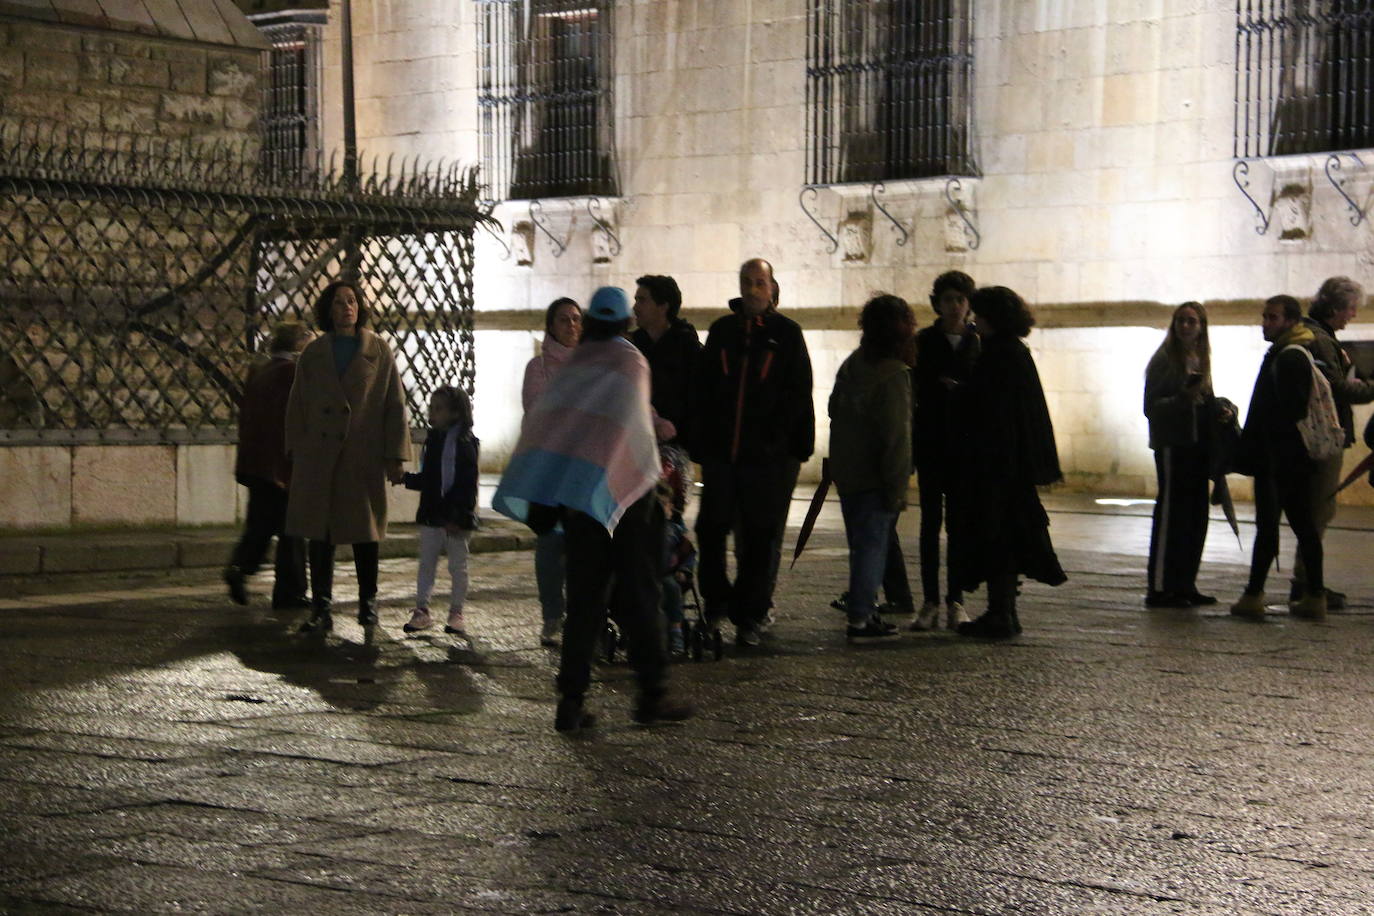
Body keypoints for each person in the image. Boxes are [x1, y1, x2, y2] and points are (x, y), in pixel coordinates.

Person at [494, 286, 692, 732]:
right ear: (624, 322)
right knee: (641, 597)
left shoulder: (573, 366)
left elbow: (550, 426)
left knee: (583, 602)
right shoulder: (631, 361)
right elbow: (635, 428)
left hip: (579, 499)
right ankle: (651, 696)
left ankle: (570, 702)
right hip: (628, 502)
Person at [689, 258, 814, 648]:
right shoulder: (724, 330)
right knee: (710, 529)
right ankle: (716, 600)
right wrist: (706, 442)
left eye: (760, 282)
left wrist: (782, 443)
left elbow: (798, 391)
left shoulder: (787, 333)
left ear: (772, 287)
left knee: (759, 538)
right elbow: (706, 387)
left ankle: (750, 613)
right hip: (723, 455)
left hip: (764, 459)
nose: (754, 289)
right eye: (748, 282)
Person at [285, 280, 411, 633]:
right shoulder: (313, 353)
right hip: (320, 456)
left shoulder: (378, 350)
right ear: (328, 309)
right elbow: (297, 403)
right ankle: (321, 604)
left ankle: (367, 602)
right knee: (320, 533)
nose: (346, 308)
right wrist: (295, 448)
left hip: (361, 455)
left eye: (352, 301)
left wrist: (395, 455)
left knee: (364, 533)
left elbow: (394, 405)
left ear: (360, 307)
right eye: (339, 302)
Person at [949, 286, 1066, 639]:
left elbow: (992, 411)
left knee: (998, 536)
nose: (972, 320)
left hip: (998, 466)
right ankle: (1003, 611)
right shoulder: (1013, 351)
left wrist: (960, 394)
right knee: (1006, 535)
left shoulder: (999, 354)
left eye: (978, 314)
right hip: (1010, 465)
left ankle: (1001, 613)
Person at [1231, 295, 1327, 621]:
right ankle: (1313, 595)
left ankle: (1255, 594)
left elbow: (1289, 412)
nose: (1265, 323)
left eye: (1272, 317)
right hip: (1286, 459)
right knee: (1301, 527)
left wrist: (1267, 450)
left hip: (1280, 460)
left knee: (1272, 528)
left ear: (1290, 321)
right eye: (1264, 316)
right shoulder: (1286, 353)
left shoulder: (1288, 357)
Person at [828, 294, 917, 643]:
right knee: (872, 547)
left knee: (860, 545)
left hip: (849, 471)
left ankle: (863, 610)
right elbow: (897, 436)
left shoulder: (853, 364)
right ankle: (862, 618)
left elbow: (834, 408)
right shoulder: (894, 374)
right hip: (876, 476)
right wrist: (897, 486)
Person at [1292, 277, 1374, 609]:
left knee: (1316, 510)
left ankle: (1308, 581)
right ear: (1336, 307)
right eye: (1351, 309)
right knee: (1319, 510)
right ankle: (1308, 585)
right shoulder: (1321, 340)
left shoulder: (1315, 335)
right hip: (1324, 437)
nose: (1352, 316)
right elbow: (1338, 389)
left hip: (1314, 436)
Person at [910, 270, 981, 631]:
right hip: (932, 444)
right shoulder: (923, 341)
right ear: (937, 303)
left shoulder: (978, 342)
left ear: (968, 304)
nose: (954, 306)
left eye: (960, 299)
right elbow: (914, 389)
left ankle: (956, 599)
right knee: (928, 524)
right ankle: (930, 601)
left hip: (964, 447)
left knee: (959, 526)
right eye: (948, 299)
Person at [224, 320, 311, 610]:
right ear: (299, 345)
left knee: (259, 526)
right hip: (280, 467)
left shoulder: (261, 373)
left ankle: (239, 567)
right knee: (292, 531)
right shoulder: (293, 374)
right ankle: (290, 592)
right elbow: (287, 423)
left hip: (255, 464)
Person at [1143, 302, 1225, 608]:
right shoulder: (1164, 360)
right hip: (1173, 443)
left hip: (1197, 443)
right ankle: (1161, 586)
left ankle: (1185, 582)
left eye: (1192, 321)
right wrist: (1182, 399)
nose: (1186, 326)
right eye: (1181, 321)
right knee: (1171, 514)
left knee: (1194, 514)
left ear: (1202, 327)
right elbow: (1151, 407)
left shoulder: (1201, 358)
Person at [522, 297, 582, 646]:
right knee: (549, 544)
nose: (571, 326)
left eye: (576, 319)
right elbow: (537, 408)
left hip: (582, 468)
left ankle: (580, 613)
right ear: (551, 326)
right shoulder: (538, 367)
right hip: (547, 468)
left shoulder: (593, 366)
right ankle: (552, 615)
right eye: (563, 320)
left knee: (581, 546)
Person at [398, 386, 479, 636]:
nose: (432, 412)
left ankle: (456, 612)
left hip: (455, 517)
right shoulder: (433, 441)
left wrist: (456, 514)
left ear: (455, 413)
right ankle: (422, 610)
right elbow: (430, 479)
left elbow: (467, 483)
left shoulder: (466, 443)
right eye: (431, 407)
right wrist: (405, 479)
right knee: (427, 564)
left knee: (458, 565)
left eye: (438, 408)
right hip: (432, 514)